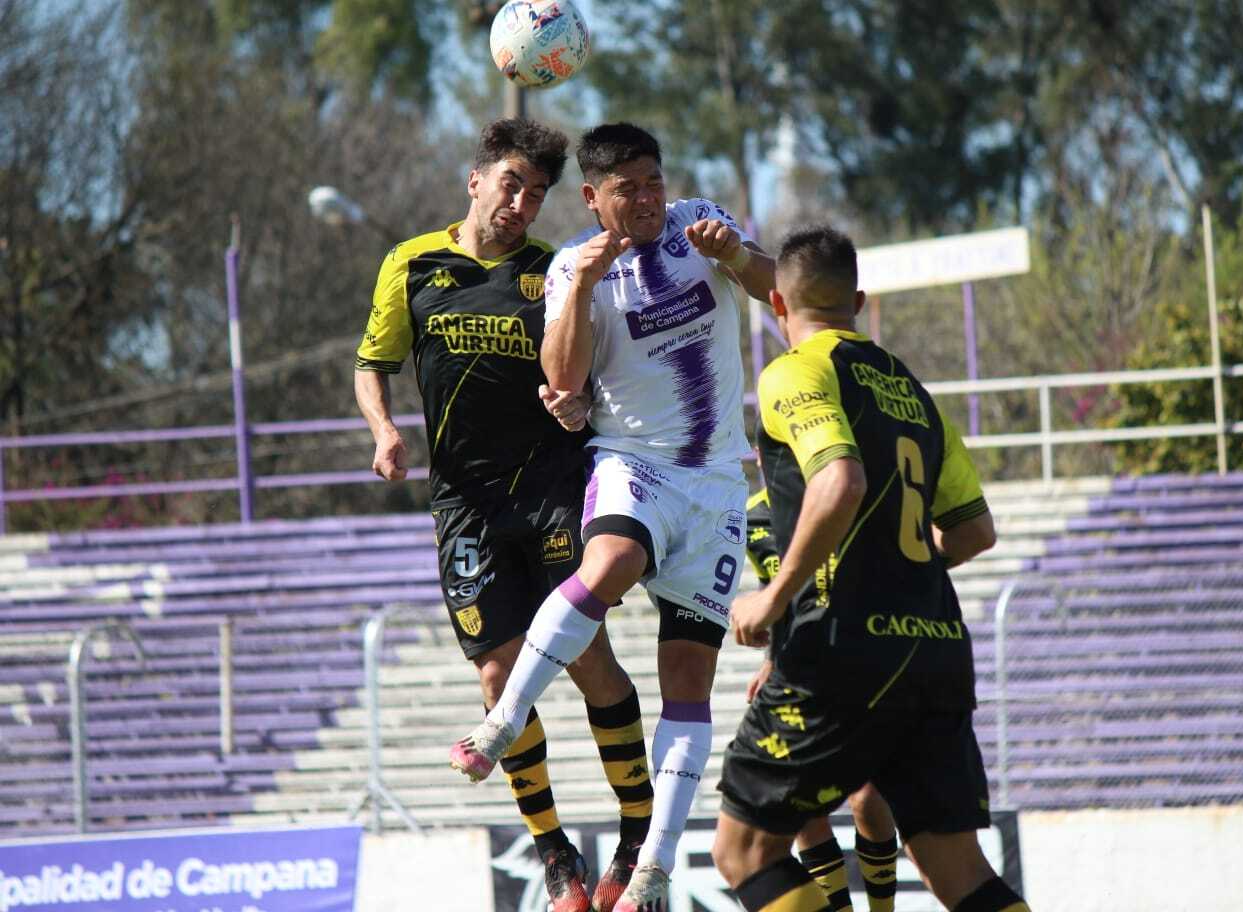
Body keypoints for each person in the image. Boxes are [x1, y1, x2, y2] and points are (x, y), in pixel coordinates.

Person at [450, 121, 776, 912]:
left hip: (716, 486)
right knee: (609, 567)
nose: (648, 200)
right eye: (627, 188)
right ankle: (504, 721)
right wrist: (590, 284)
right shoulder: (572, 267)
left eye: (654, 180)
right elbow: (560, 374)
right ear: (594, 199)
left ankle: (655, 867)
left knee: (689, 683)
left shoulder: (704, 224)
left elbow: (782, 290)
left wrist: (733, 255)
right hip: (634, 466)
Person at [354, 118, 654, 912]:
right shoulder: (411, 264)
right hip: (465, 504)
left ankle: (637, 826)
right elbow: (372, 364)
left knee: (586, 661)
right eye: (511, 184)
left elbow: (583, 370)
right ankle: (553, 851)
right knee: (496, 675)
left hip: (554, 488)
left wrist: (575, 400)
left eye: (537, 193)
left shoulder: (551, 271)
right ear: (476, 180)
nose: (522, 202)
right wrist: (384, 431)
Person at [712, 226, 1031, 912]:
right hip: (936, 651)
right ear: (857, 300)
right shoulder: (913, 392)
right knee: (963, 876)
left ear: (777, 304)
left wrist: (773, 598)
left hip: (843, 649)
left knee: (742, 851)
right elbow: (974, 531)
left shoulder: (795, 371)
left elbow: (840, 484)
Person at [744, 487, 901, 912]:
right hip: (798, 676)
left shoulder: (847, 494)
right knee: (801, 806)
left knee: (867, 796)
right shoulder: (753, 516)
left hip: (865, 666)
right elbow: (776, 592)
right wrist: (771, 661)